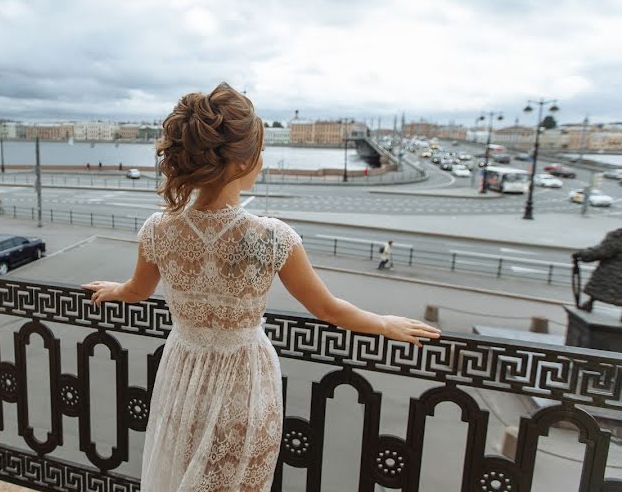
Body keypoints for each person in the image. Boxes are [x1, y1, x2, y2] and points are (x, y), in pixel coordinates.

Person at [83, 83, 439, 490]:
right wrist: (384, 323)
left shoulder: (159, 230)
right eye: (259, 152)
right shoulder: (270, 237)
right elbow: (328, 310)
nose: (263, 161)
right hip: (244, 380)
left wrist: (114, 290)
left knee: (180, 472)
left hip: (182, 375)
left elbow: (137, 291)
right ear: (239, 164)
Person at [572, 228, 622, 309]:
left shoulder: (619, 236)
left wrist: (582, 254)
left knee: (600, 289)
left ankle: (590, 303)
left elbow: (602, 251)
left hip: (610, 278)